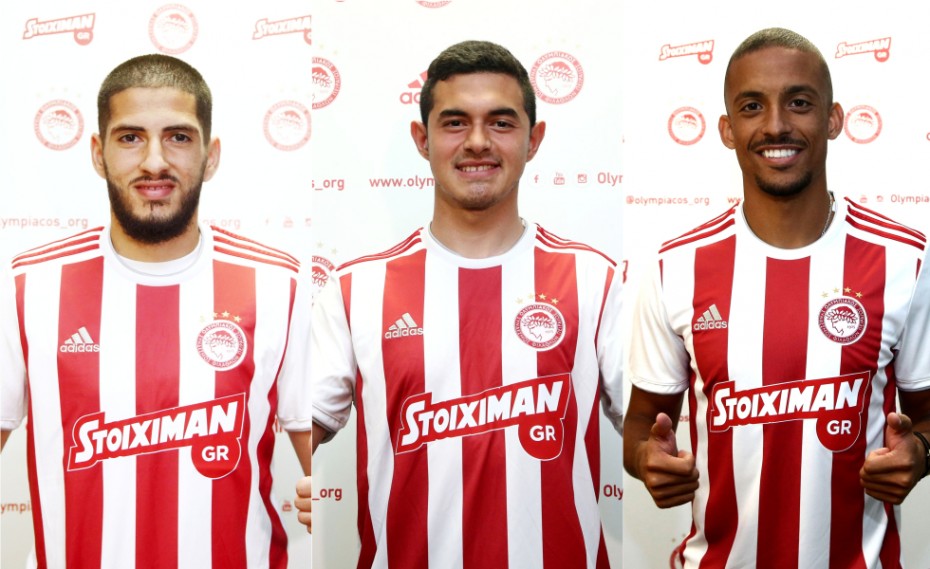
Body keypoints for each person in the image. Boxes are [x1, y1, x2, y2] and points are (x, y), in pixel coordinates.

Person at [300, 40, 624, 567]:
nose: (477, 142)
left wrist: (660, 455)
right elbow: (293, 429)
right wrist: (287, 481)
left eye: (501, 122)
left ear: (534, 139)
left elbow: (647, 427)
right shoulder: (355, 289)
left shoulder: (595, 279)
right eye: (455, 123)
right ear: (422, 139)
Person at [624, 28, 930, 568]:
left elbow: (928, 419)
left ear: (833, 119)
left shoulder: (906, 261)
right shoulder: (678, 267)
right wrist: (647, 460)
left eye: (799, 103)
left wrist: (921, 453)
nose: (775, 125)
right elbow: (639, 426)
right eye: (751, 106)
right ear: (727, 129)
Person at [0, 54, 312, 568]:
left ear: (211, 156)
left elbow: (316, 452)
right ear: (98, 153)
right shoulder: (27, 286)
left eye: (178, 137)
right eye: (130, 137)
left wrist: (322, 496)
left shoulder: (280, 284)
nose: (154, 161)